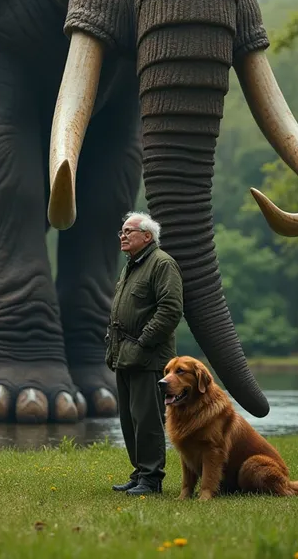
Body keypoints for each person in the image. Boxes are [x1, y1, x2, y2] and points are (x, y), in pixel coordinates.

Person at [105, 211, 183, 495]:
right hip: (124, 355)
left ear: (147, 236)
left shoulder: (162, 264)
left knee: (148, 419)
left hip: (148, 359)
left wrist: (143, 343)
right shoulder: (132, 265)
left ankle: (152, 480)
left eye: (128, 231)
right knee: (129, 419)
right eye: (121, 232)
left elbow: (171, 309)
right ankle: (140, 474)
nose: (123, 236)